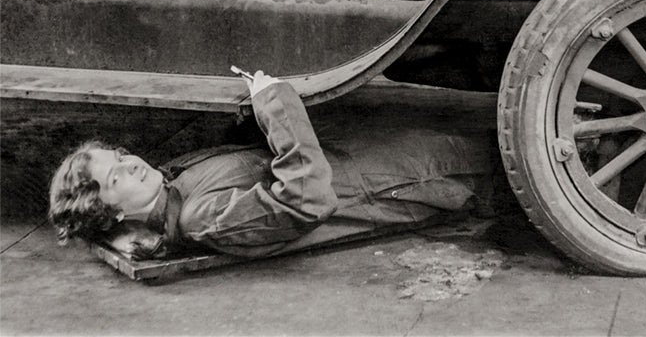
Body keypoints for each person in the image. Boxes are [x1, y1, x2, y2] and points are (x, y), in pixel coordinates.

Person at [48, 71, 498, 259]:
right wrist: (272, 100)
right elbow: (306, 200)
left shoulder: (172, 185)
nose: (132, 165)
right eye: (116, 176)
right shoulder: (198, 218)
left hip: (371, 162)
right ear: (114, 213)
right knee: (506, 162)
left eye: (122, 157)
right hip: (397, 182)